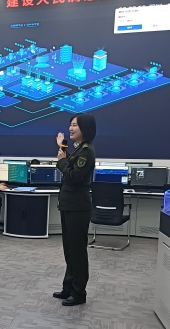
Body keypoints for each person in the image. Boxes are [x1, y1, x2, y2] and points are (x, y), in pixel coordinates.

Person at [53, 113, 96, 306]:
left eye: (75, 125)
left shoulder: (87, 151)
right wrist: (62, 147)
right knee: (69, 251)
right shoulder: (80, 149)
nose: (70, 128)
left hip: (77, 208)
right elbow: (70, 162)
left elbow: (73, 176)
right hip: (69, 206)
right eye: (70, 124)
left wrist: (61, 161)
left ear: (85, 128)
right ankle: (68, 287)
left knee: (77, 252)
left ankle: (79, 293)